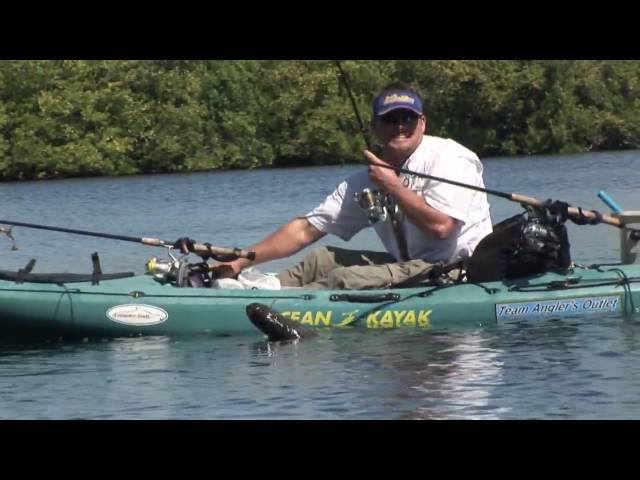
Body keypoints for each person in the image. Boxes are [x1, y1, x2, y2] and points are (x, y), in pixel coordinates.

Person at [209, 82, 493, 290]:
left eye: (407, 118)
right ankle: (248, 289)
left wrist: (393, 186)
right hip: (408, 267)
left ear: (422, 123)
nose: (399, 126)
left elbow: (442, 229)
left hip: (456, 270)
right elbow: (306, 229)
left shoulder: (450, 158)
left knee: (343, 279)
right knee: (320, 261)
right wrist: (239, 262)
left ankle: (274, 306)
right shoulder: (367, 179)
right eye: (390, 119)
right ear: (375, 126)